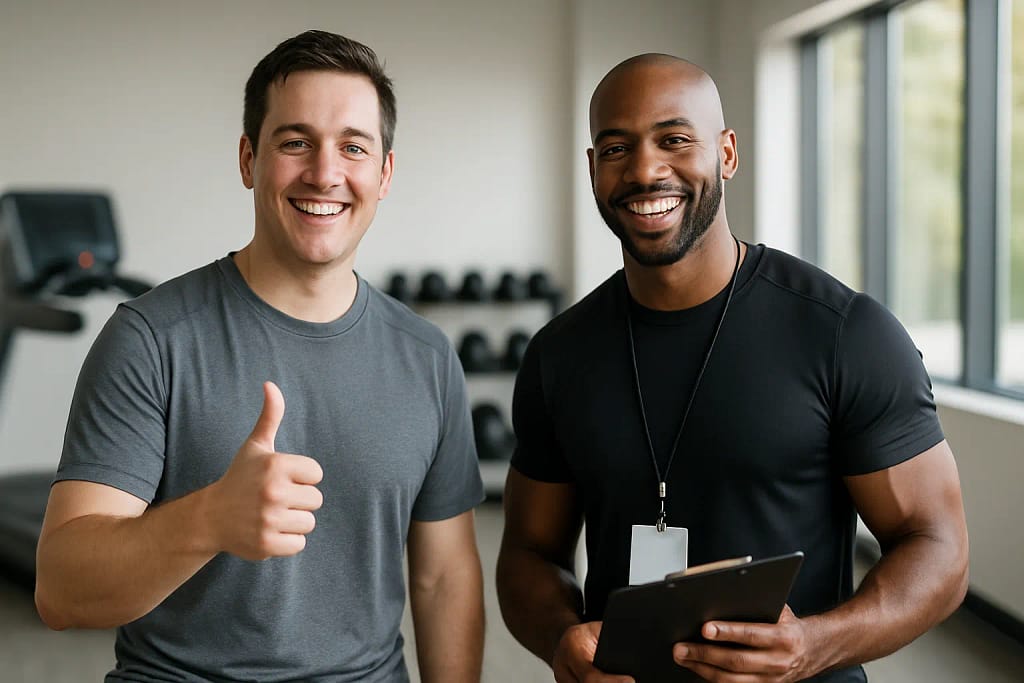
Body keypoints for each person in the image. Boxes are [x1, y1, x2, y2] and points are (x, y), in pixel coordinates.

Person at [496, 53, 969, 683]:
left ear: (727, 153)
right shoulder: (559, 354)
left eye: (675, 139)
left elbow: (938, 546)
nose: (644, 169)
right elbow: (529, 552)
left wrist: (817, 644)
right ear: (592, 168)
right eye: (616, 147)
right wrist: (560, 638)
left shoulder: (843, 333)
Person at [34, 30, 486, 683]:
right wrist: (210, 517)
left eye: (353, 147)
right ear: (249, 159)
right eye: (295, 141)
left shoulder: (428, 357)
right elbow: (61, 589)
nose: (325, 173)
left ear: (384, 174)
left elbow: (444, 577)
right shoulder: (150, 339)